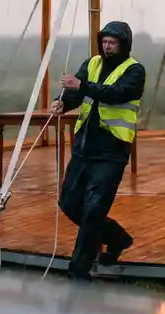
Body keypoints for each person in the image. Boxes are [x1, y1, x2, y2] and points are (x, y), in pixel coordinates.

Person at [50, 20, 145, 281]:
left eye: (112, 42)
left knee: (93, 210)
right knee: (68, 202)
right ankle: (117, 238)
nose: (106, 46)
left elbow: (116, 94)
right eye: (104, 41)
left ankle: (77, 272)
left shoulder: (135, 70)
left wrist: (81, 87)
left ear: (124, 44)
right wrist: (62, 103)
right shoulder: (91, 64)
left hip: (112, 150)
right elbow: (76, 92)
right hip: (84, 146)